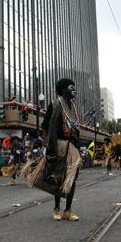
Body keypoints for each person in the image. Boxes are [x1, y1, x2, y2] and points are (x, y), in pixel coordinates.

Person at [25, 78, 81, 221]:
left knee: (71, 178)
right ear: (63, 89)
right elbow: (45, 126)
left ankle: (68, 210)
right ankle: (56, 209)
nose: (74, 89)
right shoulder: (54, 104)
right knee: (58, 176)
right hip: (58, 145)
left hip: (71, 147)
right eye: (71, 87)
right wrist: (46, 145)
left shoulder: (73, 107)